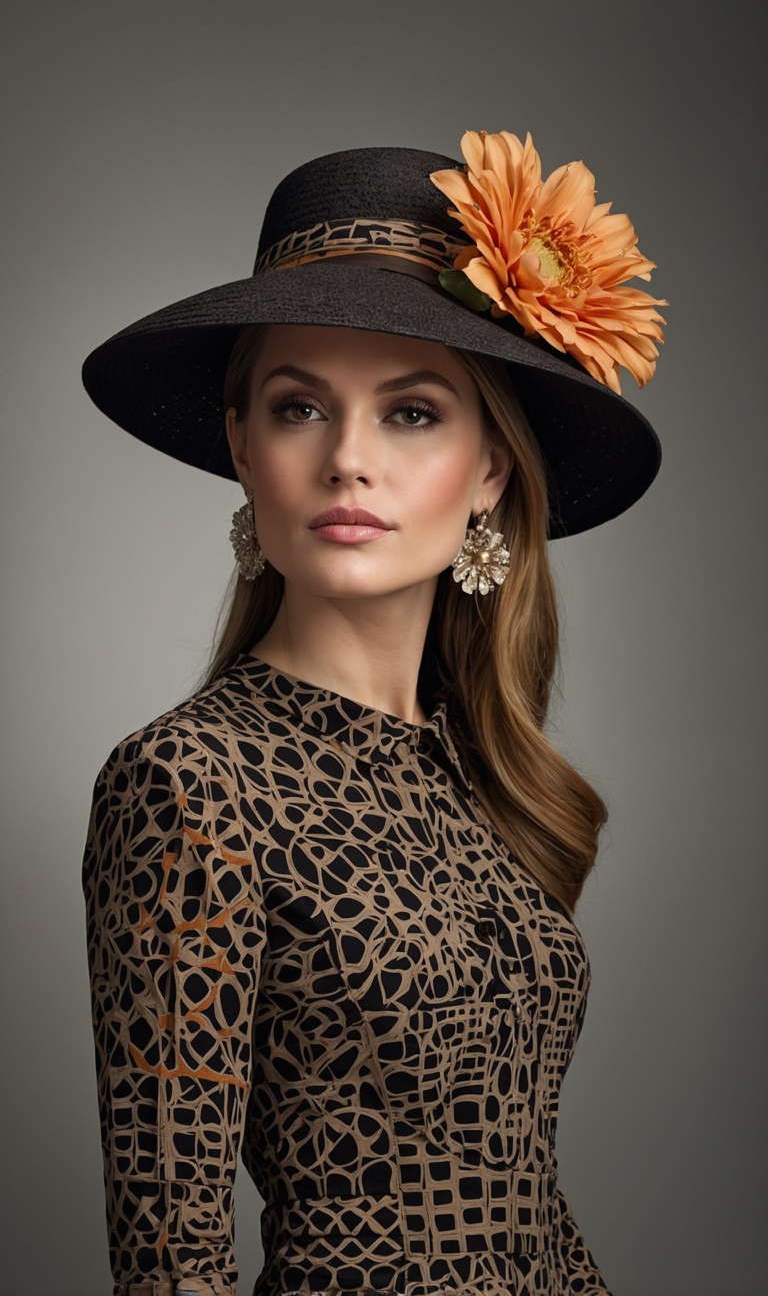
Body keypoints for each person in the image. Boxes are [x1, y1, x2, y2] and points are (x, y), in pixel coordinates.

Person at [82, 133, 665, 1296]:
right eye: (300, 406)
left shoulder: (477, 774)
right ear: (242, 445)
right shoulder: (192, 780)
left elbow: (524, 1198)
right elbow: (171, 1254)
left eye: (411, 413)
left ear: (491, 467)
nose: (349, 459)